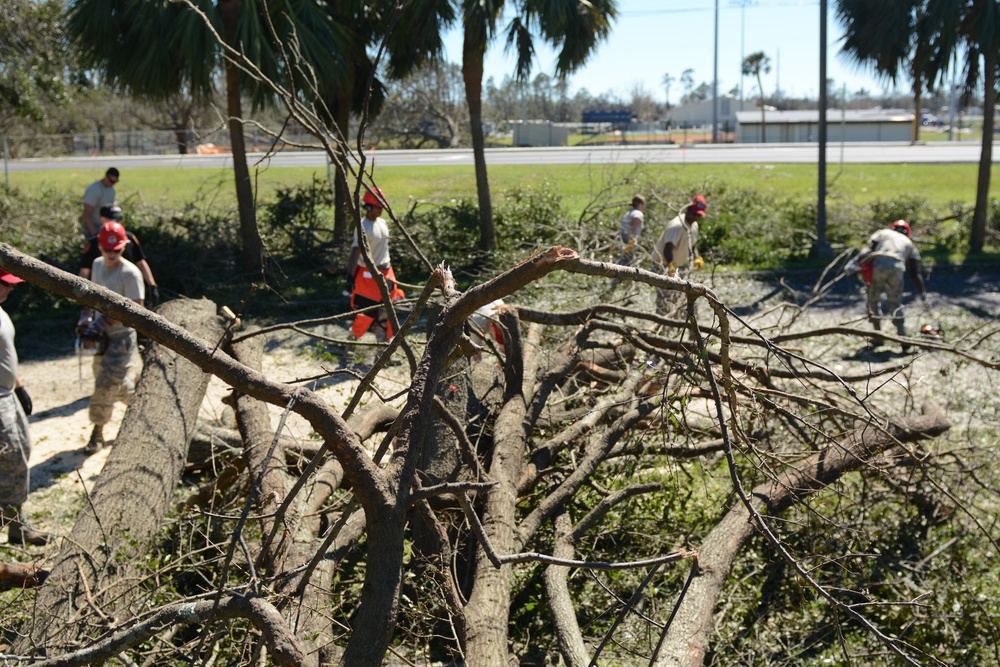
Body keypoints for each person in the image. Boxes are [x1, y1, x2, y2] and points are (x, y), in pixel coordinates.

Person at [80, 220, 145, 453]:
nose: (110, 254)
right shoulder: (97, 266)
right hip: (100, 337)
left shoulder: (130, 273)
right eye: (107, 250)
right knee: (113, 383)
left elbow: (137, 310)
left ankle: (97, 431)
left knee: (105, 383)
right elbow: (89, 296)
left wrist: (104, 321)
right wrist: (86, 317)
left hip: (121, 337)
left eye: (115, 250)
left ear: (123, 247)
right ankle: (143, 403)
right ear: (100, 247)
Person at [0, 270, 47, 545]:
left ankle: (17, 522)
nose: (11, 289)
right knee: (12, 458)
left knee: (22, 450)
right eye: (6, 284)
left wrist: (19, 386)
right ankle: (16, 524)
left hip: (7, 395)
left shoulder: (2, 313)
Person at [848, 219, 927, 350]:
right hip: (897, 268)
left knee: (873, 300)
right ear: (908, 232)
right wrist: (922, 292)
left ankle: (878, 336)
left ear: (892, 228)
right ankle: (902, 336)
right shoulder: (909, 243)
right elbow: (915, 273)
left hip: (878, 264)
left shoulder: (883, 233)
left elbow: (867, 250)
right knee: (895, 302)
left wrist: (854, 263)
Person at [345, 188, 405, 340]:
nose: (381, 210)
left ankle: (383, 354)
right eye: (378, 207)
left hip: (387, 274)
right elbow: (355, 252)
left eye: (382, 207)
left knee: (387, 315)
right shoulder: (363, 226)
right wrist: (349, 275)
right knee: (366, 314)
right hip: (368, 278)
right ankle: (349, 349)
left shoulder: (383, 223)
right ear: (368, 207)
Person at [80, 206, 159, 306]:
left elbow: (141, 262)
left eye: (119, 219)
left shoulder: (128, 238)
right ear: (102, 219)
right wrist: (84, 298)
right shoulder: (94, 243)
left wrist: (152, 285)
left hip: (126, 287)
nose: (112, 254)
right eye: (107, 250)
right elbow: (84, 271)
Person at [651, 195, 708, 315]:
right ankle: (660, 327)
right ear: (688, 210)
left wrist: (697, 257)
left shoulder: (694, 225)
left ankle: (681, 326)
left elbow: (692, 244)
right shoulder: (677, 226)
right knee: (666, 300)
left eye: (698, 215)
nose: (695, 217)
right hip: (663, 265)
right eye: (694, 214)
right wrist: (670, 266)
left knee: (685, 300)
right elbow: (668, 248)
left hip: (679, 267)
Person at [81, 168, 120, 238]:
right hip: (95, 227)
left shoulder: (111, 189)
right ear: (105, 177)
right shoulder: (94, 190)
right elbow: (86, 215)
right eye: (111, 181)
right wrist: (94, 234)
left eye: (115, 182)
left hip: (107, 228)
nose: (112, 184)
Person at [617, 194, 647, 268]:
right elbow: (634, 223)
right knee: (628, 261)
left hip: (622, 238)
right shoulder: (638, 213)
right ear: (639, 204)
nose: (644, 206)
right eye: (643, 204)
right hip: (629, 240)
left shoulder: (629, 212)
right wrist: (632, 240)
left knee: (625, 260)